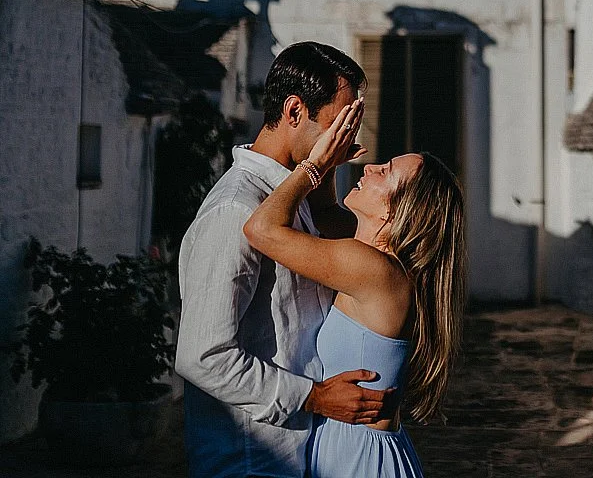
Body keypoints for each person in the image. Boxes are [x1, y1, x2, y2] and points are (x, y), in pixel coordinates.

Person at [176, 42, 389, 478]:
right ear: (295, 112)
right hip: (253, 455)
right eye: (338, 124)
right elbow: (202, 356)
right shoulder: (236, 209)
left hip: (297, 449)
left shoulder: (294, 197)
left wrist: (323, 172)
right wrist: (313, 396)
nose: (345, 139)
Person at [243, 100, 466, 477]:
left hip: (358, 457)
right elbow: (327, 213)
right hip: (357, 450)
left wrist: (312, 166)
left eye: (387, 172)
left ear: (397, 211)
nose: (370, 166)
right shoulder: (376, 264)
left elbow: (260, 230)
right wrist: (330, 162)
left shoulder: (373, 270)